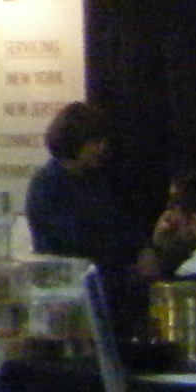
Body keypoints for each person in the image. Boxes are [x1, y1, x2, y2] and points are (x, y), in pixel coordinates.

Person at [24, 101, 142, 283]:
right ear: (74, 141)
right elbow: (74, 241)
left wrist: (143, 248)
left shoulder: (97, 179)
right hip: (67, 280)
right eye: (95, 142)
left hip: (107, 277)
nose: (102, 148)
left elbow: (121, 221)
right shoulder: (46, 185)